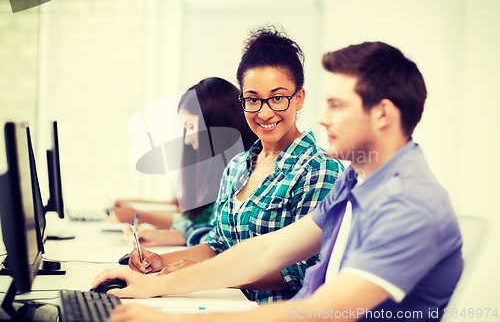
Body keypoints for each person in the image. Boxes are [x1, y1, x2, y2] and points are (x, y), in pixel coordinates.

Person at [93, 41, 463, 322]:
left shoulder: (408, 203)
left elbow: (322, 313)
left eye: (336, 105)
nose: (322, 118)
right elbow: (267, 251)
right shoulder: (358, 180)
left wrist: (175, 319)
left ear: (382, 114)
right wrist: (153, 286)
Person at [123, 26, 342, 303]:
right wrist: (160, 261)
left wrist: (204, 276)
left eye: (277, 98)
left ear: (299, 98)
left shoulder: (319, 170)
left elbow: (305, 271)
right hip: (230, 304)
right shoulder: (238, 166)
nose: (264, 112)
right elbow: (217, 245)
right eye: (252, 99)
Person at [117, 77, 258, 246]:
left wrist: (140, 216)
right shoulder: (223, 169)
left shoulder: (245, 170)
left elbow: (216, 236)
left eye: (190, 126)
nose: (187, 139)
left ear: (214, 124)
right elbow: (203, 226)